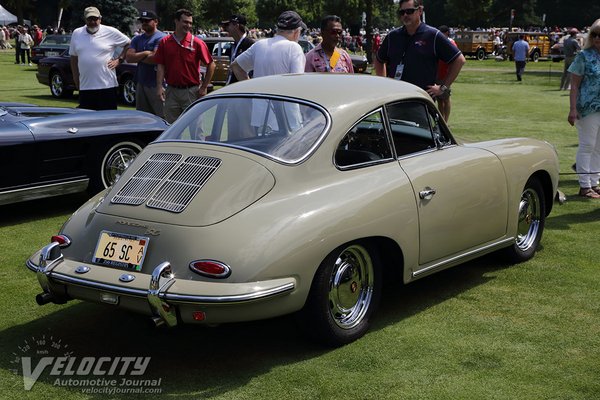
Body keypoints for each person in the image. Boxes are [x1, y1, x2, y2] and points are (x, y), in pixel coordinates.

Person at [374, 0, 465, 102]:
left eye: (409, 11)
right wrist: (383, 84)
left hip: (421, 102)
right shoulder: (392, 37)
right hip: (394, 100)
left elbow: (459, 60)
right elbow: (379, 60)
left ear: (420, 11)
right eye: (402, 12)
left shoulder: (433, 35)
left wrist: (443, 87)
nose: (405, 15)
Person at [154, 9, 215, 123]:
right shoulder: (165, 42)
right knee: (171, 129)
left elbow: (211, 65)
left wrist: (204, 87)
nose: (188, 25)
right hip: (171, 90)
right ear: (176, 21)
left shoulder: (197, 42)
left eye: (190, 23)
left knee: (196, 129)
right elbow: (161, 65)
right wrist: (159, 86)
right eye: (185, 22)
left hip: (191, 91)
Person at [69, 7, 130, 110]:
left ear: (100, 19)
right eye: (90, 19)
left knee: (108, 121)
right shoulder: (77, 33)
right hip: (86, 86)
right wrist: (76, 79)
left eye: (95, 19)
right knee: (87, 122)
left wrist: (119, 59)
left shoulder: (110, 31)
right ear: (85, 19)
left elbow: (129, 43)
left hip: (107, 86)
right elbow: (73, 58)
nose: (93, 22)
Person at [567, 19, 600, 199]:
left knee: (599, 148)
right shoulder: (583, 56)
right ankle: (584, 186)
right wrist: (572, 109)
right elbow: (574, 86)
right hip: (587, 108)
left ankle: (594, 183)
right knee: (587, 146)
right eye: (594, 34)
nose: (597, 38)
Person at [231, 10, 306, 81]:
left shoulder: (259, 45)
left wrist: (250, 88)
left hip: (259, 94)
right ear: (297, 32)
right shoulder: (294, 48)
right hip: (281, 94)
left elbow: (236, 66)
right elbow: (297, 81)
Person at [126, 10, 166, 117]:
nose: (144, 23)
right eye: (142, 21)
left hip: (157, 84)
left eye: (147, 21)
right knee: (143, 118)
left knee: (162, 117)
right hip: (141, 82)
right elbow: (129, 57)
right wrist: (146, 53)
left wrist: (137, 57)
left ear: (156, 21)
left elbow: (155, 58)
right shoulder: (137, 38)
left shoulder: (161, 37)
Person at [220, 14, 254, 85]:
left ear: (236, 25)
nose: (225, 28)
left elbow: (251, 71)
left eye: (228, 25)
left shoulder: (249, 44)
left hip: (243, 89)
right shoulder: (234, 45)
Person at [436, 25, 457, 122]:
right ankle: (441, 121)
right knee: (440, 100)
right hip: (437, 74)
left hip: (445, 75)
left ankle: (446, 120)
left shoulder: (451, 43)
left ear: (446, 33)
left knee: (446, 98)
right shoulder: (438, 42)